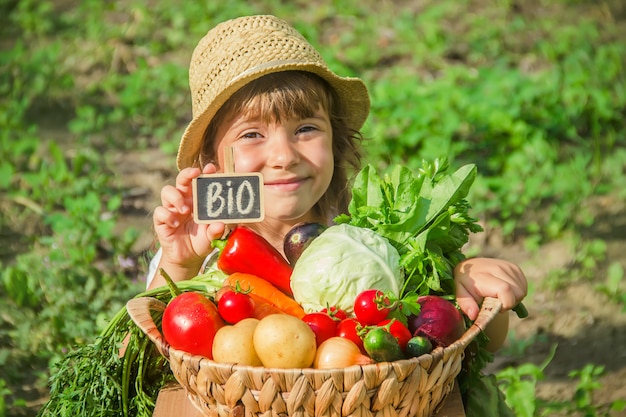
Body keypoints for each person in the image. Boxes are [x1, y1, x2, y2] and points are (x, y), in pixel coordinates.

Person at [146, 14, 527, 416]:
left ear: (336, 137)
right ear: (212, 163)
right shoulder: (201, 256)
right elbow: (139, 362)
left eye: (306, 129)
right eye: (252, 134)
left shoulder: (365, 237)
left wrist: (474, 282)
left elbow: (481, 338)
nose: (284, 157)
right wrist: (179, 260)